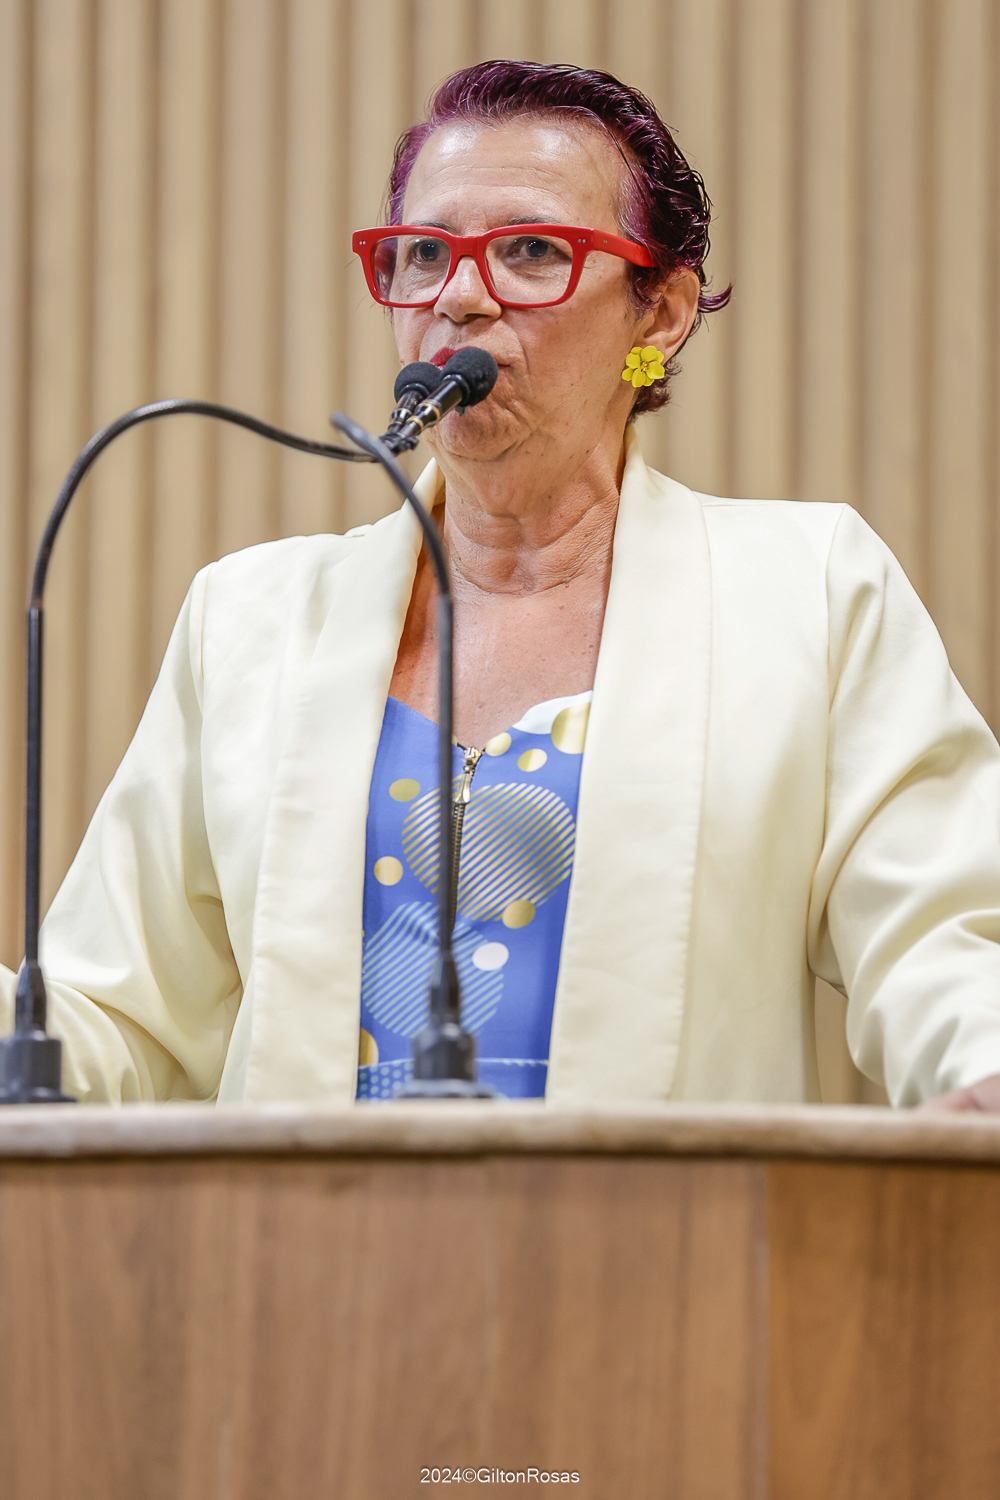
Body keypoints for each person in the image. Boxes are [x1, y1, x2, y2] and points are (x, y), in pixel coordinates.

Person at [2, 60, 999, 1109]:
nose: (460, 296)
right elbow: (115, 1011)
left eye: (531, 251)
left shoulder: (808, 594)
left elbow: (950, 933)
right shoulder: (249, 621)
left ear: (659, 312)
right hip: (303, 1217)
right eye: (425, 253)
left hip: (661, 1214)